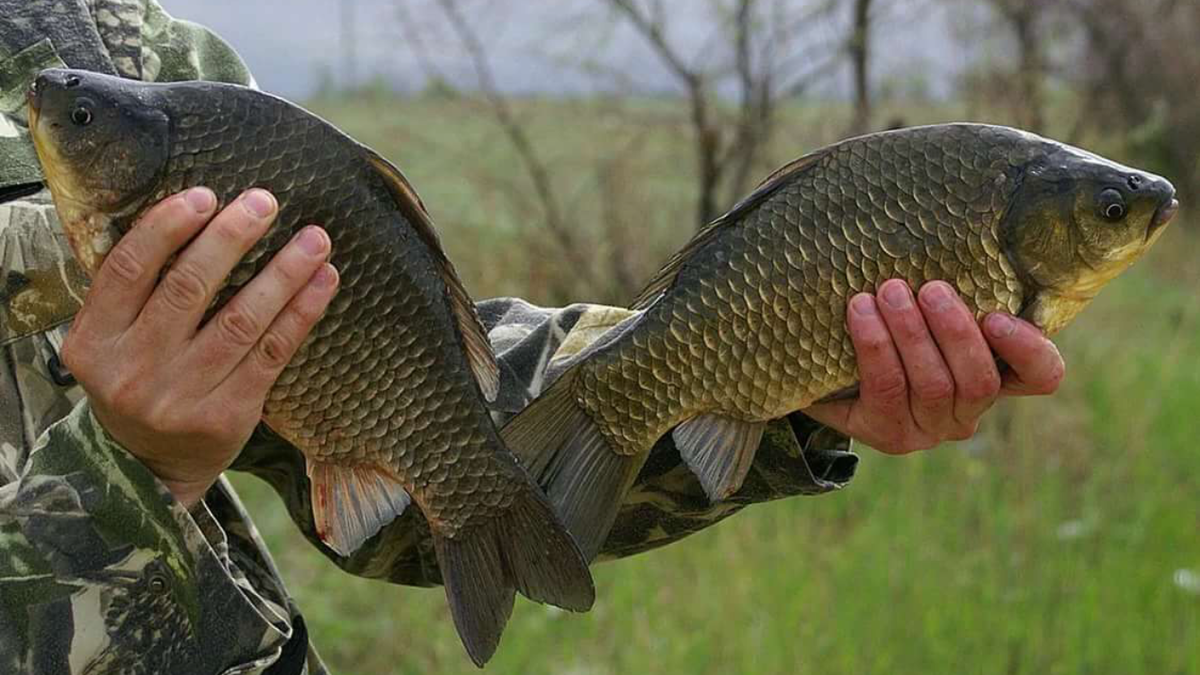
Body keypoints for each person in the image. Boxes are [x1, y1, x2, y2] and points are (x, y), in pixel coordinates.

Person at [0, 1, 1066, 672]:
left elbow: (394, 382)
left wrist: (779, 373)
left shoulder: (94, 42)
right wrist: (125, 476)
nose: (67, 108)